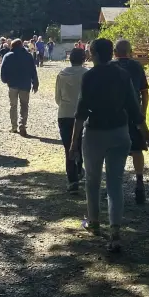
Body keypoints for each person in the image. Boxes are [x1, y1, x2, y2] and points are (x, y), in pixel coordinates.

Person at [68, 37, 149, 253]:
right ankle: (115, 230)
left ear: (95, 55)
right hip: (119, 132)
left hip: (95, 133)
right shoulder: (123, 75)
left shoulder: (89, 76)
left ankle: (94, 222)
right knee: (115, 183)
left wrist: (73, 142)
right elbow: (134, 109)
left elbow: (81, 112)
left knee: (92, 180)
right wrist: (146, 135)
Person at [114, 38, 149, 204]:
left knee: (114, 150)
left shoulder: (110, 67)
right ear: (131, 52)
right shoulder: (136, 66)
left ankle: (115, 184)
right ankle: (139, 180)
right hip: (134, 112)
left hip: (115, 113)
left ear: (115, 52)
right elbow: (144, 92)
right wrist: (143, 112)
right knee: (137, 149)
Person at [55, 47, 89, 191]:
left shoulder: (62, 74)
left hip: (65, 113)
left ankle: (72, 180)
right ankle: (79, 169)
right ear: (84, 59)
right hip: (83, 114)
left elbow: (57, 97)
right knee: (81, 145)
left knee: (68, 147)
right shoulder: (87, 74)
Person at [0, 39, 39, 135]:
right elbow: (33, 70)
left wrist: (5, 80)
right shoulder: (28, 56)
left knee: (13, 106)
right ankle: (22, 125)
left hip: (12, 84)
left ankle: (14, 126)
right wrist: (35, 83)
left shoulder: (8, 56)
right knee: (24, 106)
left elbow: (3, 70)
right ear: (21, 45)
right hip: (25, 84)